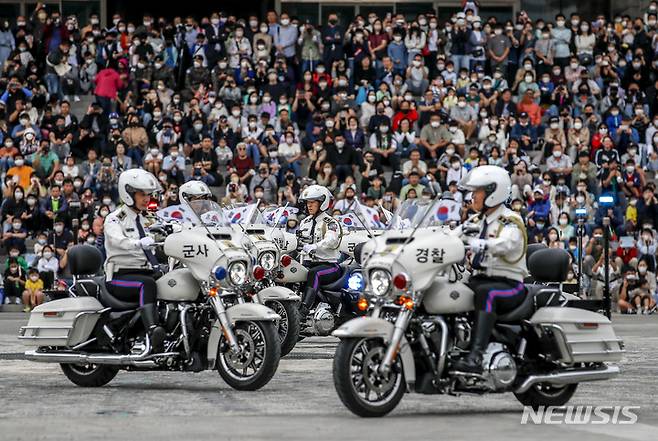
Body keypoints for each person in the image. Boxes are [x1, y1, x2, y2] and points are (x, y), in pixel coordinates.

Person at [451, 165, 528, 375]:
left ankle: (475, 356)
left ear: (493, 193)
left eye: (477, 192)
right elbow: (452, 235)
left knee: (488, 293)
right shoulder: (476, 221)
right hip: (480, 279)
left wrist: (482, 245)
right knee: (452, 291)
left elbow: (508, 244)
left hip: (509, 285)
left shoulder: (511, 220)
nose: (471, 197)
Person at [103, 169, 165, 353]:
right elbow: (116, 240)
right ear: (128, 194)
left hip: (145, 271)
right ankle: (154, 332)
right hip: (120, 275)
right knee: (147, 285)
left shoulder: (149, 219)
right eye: (141, 194)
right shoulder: (115, 219)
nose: (147, 199)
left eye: (148, 194)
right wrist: (138, 243)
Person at [297, 184, 343, 317]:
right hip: (307, 262)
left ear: (322, 203)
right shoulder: (304, 222)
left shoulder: (330, 222)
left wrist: (315, 246)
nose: (309, 206)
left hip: (329, 265)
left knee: (314, 273)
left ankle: (304, 309)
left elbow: (332, 239)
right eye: (307, 203)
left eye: (312, 202)